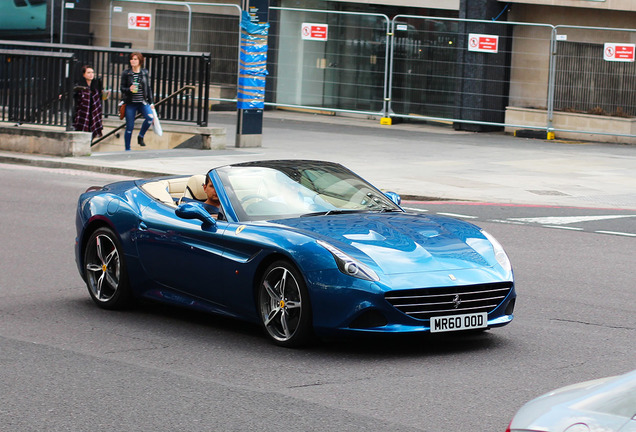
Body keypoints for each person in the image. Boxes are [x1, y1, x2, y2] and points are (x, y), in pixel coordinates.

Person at [120, 52, 155, 151]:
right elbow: (122, 88)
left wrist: (151, 102)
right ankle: (127, 149)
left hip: (142, 101)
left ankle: (141, 136)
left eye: (135, 59)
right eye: (131, 59)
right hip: (130, 102)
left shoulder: (144, 72)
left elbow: (148, 88)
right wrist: (129, 89)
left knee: (149, 118)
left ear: (140, 61)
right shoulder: (126, 73)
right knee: (129, 127)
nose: (133, 61)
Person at [73, 65, 103, 139]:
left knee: (92, 130)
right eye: (88, 72)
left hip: (94, 111)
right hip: (83, 112)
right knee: (82, 130)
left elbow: (100, 96)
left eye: (92, 72)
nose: (91, 74)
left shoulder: (96, 83)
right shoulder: (80, 85)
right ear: (84, 74)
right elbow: (75, 96)